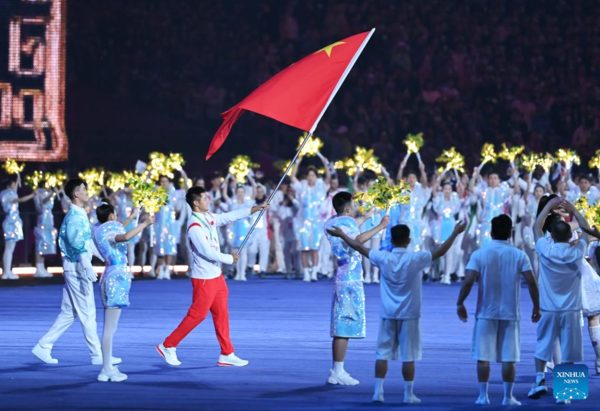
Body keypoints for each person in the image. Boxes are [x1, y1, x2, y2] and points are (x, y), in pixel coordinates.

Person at [328, 219, 466, 403]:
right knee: (409, 356)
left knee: (382, 354)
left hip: (388, 314)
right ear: (408, 241)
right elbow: (440, 251)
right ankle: (408, 394)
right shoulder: (415, 258)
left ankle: (378, 392)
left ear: (391, 241)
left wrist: (342, 235)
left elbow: (359, 247)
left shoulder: (383, 258)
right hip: (410, 316)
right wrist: (456, 232)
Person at [156, 186, 269, 367]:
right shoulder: (194, 226)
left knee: (222, 315)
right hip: (204, 279)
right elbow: (206, 251)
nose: (208, 200)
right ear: (196, 203)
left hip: (217, 277)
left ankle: (226, 353)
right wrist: (228, 258)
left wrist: (254, 209)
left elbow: (228, 216)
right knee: (197, 316)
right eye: (205, 198)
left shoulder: (208, 217)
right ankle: (168, 345)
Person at [32, 179, 120, 366]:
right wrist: (87, 265)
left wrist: (104, 256)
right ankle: (98, 355)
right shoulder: (74, 216)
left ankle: (44, 345)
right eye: (83, 190)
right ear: (76, 194)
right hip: (77, 268)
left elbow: (87, 243)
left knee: (69, 313)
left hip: (76, 267)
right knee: (88, 313)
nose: (87, 192)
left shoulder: (80, 214)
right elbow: (76, 243)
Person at [457, 215, 540, 406]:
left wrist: (460, 303)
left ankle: (482, 395)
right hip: (511, 312)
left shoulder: (480, 254)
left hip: (486, 311)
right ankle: (508, 397)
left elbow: (469, 280)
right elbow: (532, 282)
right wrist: (537, 306)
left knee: (483, 356)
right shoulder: (520, 255)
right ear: (510, 233)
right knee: (509, 357)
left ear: (491, 232)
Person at [323, 192, 388, 386]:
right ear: (349, 208)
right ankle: (337, 370)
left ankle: (338, 369)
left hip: (342, 276)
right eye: (354, 206)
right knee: (344, 325)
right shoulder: (346, 224)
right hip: (350, 280)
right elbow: (357, 239)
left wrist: (366, 216)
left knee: (342, 324)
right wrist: (380, 226)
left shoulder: (331, 223)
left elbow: (350, 228)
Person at [528, 197, 589, 404]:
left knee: (543, 343)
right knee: (568, 349)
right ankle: (567, 393)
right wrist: (573, 209)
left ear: (551, 235)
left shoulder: (546, 249)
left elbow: (536, 226)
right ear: (569, 235)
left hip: (548, 307)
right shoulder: (577, 251)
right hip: (571, 309)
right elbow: (586, 228)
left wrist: (547, 206)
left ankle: (539, 381)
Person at [93, 201, 155, 382]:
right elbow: (125, 236)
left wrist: (134, 214)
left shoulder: (100, 230)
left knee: (109, 328)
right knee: (109, 329)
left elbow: (123, 226)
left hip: (110, 275)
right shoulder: (109, 232)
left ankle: (107, 367)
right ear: (112, 216)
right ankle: (105, 369)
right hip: (115, 278)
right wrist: (144, 223)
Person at [291, 152, 331, 282]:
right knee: (304, 248)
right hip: (303, 222)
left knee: (314, 248)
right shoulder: (302, 188)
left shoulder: (321, 188)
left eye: (313, 175)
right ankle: (306, 273)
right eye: (309, 175)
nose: (310, 177)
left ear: (316, 177)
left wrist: (324, 162)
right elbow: (292, 177)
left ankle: (314, 272)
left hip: (317, 223)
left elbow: (328, 177)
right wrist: (297, 162)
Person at [1, 174, 35, 280]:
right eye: (13, 183)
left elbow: (15, 192)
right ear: (9, 185)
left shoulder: (8, 193)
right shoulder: (7, 194)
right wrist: (32, 195)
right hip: (11, 222)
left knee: (10, 249)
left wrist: (17, 180)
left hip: (13, 222)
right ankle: (6, 272)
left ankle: (8, 271)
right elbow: (19, 200)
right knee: (8, 248)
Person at [33, 185, 58, 278]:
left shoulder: (47, 193)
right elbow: (43, 202)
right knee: (40, 242)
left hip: (48, 219)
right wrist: (52, 193)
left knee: (45, 244)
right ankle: (38, 267)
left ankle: (42, 267)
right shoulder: (39, 192)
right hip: (43, 219)